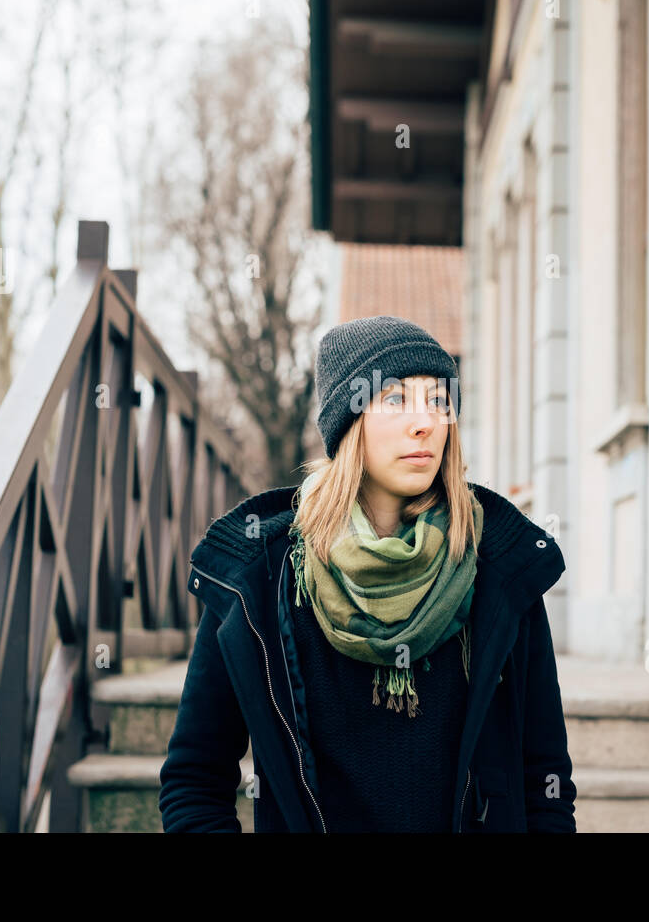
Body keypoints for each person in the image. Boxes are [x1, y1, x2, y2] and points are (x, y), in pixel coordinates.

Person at [158, 315, 575, 832]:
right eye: (396, 399)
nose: (424, 421)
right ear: (347, 421)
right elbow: (194, 784)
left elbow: (545, 784)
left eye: (439, 401)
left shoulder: (500, 565)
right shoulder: (259, 579)